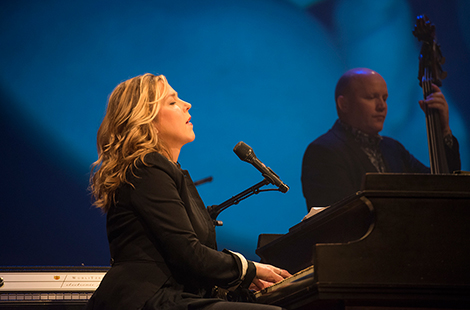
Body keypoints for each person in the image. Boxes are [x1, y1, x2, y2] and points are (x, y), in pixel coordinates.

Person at [86, 73, 291, 310]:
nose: (187, 105)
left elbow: (190, 259)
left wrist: (240, 279)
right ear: (146, 119)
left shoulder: (165, 170)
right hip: (145, 299)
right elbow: (189, 254)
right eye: (172, 102)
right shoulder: (147, 168)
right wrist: (249, 268)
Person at [301, 68, 461, 210]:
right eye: (371, 97)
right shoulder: (323, 151)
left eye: (384, 98)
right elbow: (339, 218)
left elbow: (442, 185)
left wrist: (443, 131)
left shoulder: (393, 148)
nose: (382, 106)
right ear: (344, 104)